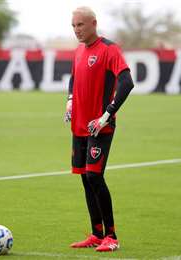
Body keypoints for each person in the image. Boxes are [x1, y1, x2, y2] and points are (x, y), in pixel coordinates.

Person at [64, 6, 135, 252]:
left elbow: (127, 82)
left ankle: (112, 236)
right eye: (73, 26)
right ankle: (96, 234)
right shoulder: (78, 52)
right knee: (85, 178)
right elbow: (73, 78)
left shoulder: (109, 49)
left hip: (99, 127)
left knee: (95, 176)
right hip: (79, 126)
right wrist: (70, 101)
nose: (76, 30)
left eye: (80, 25)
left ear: (94, 23)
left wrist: (107, 115)